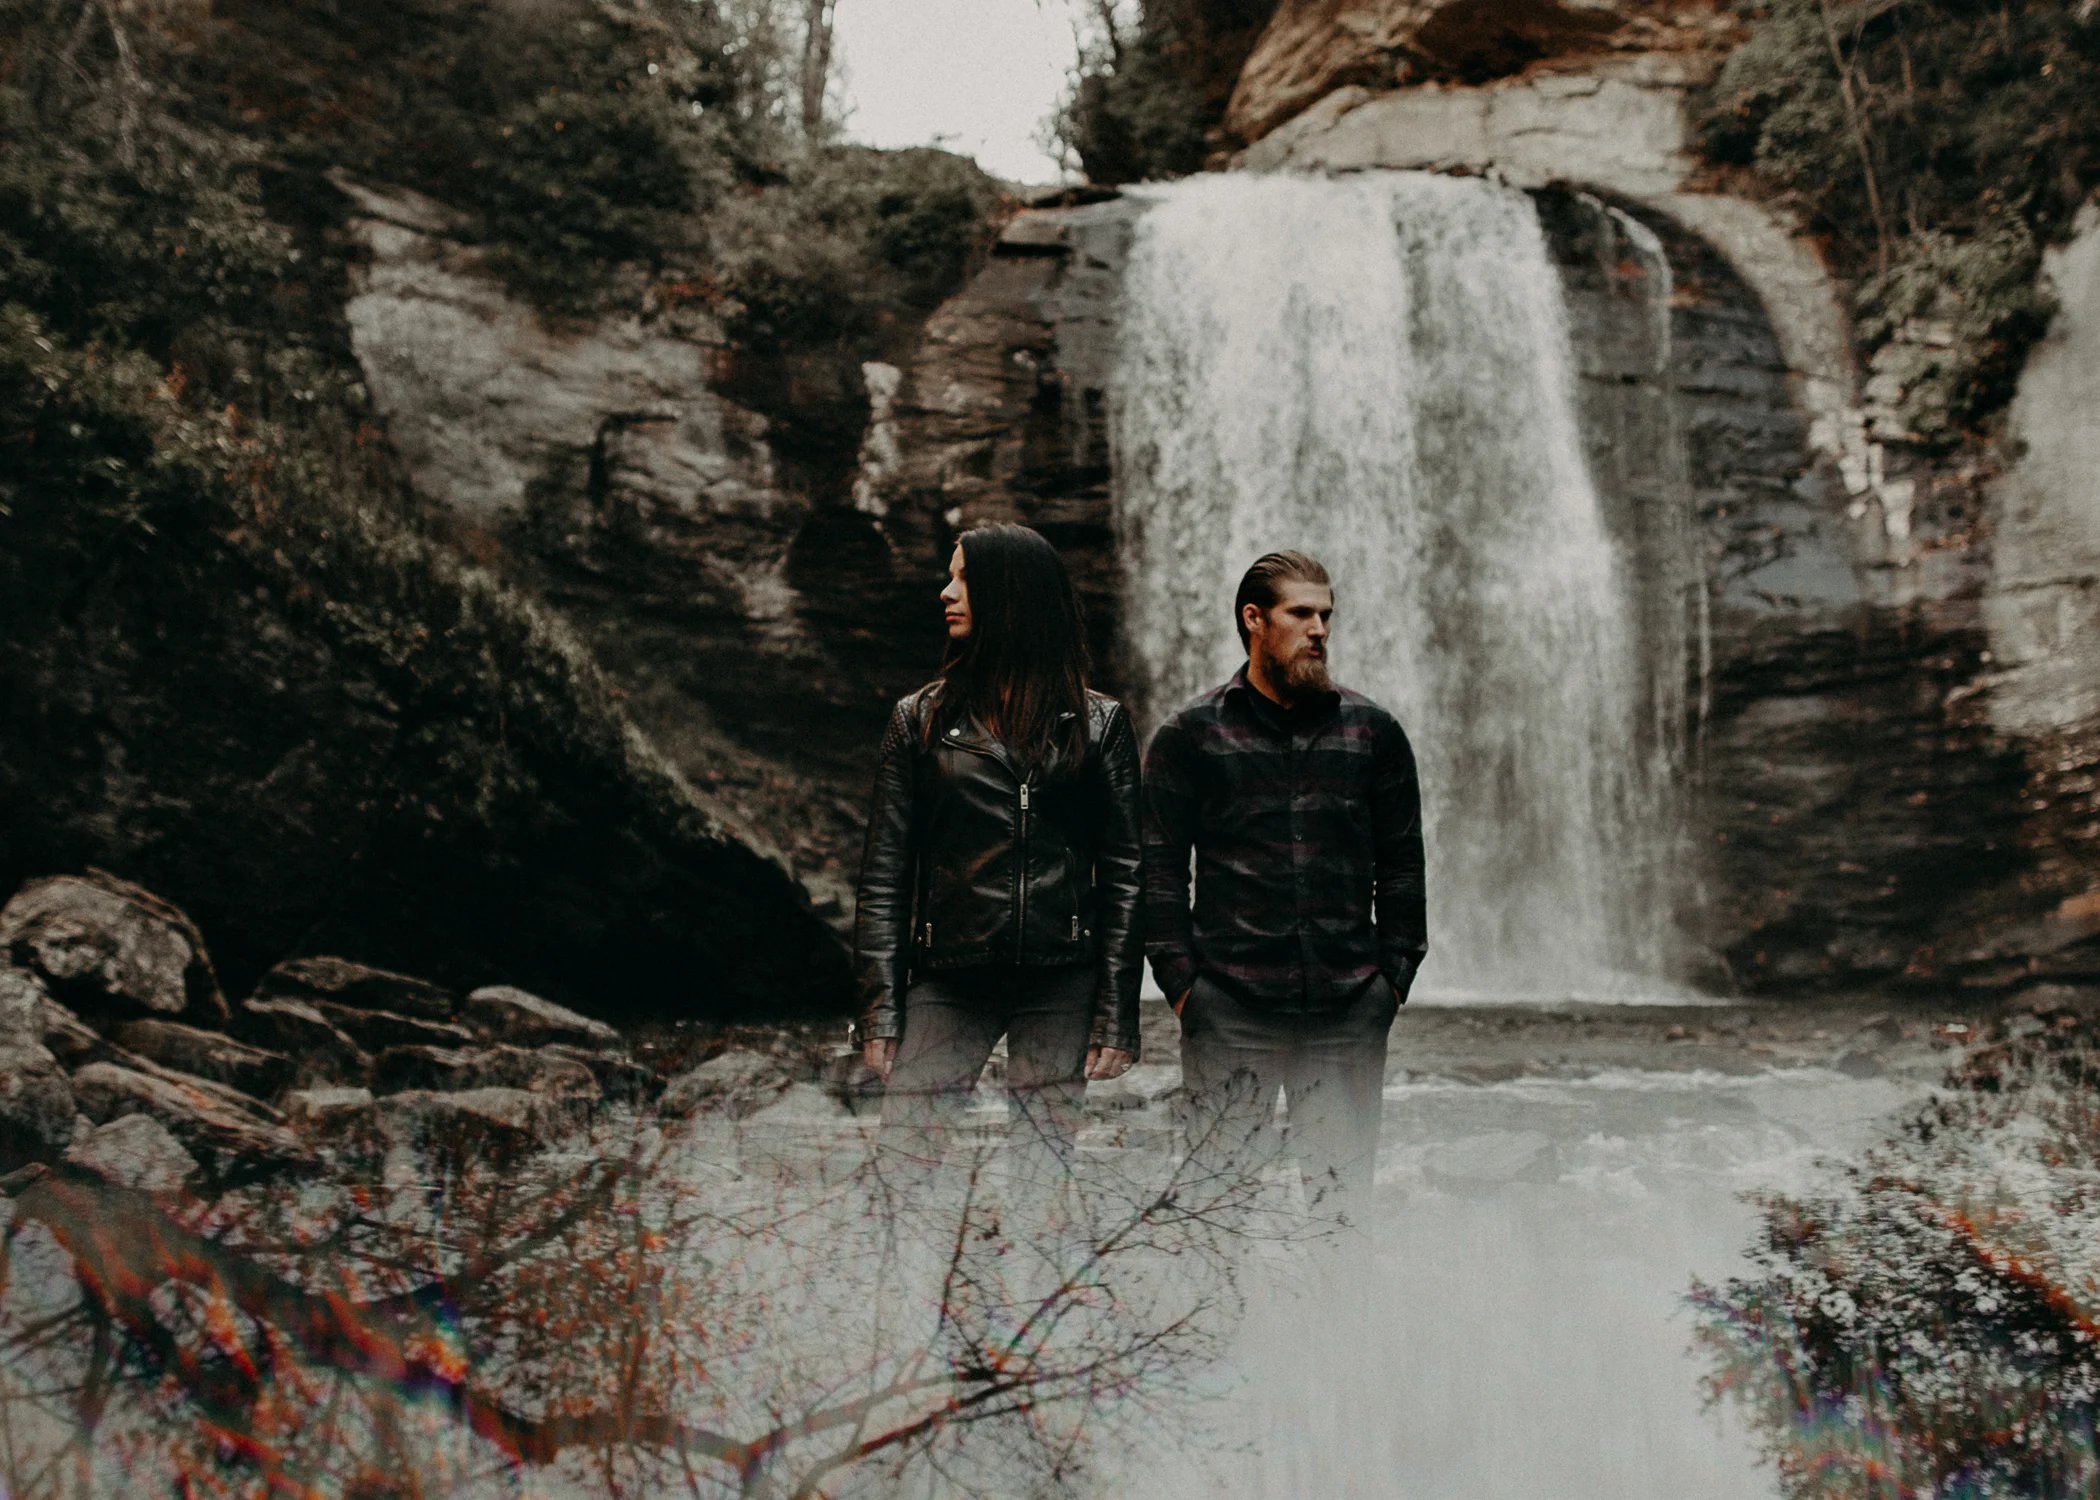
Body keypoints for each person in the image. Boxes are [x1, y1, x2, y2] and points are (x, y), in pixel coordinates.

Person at [1142, 550, 1427, 1229]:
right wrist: (1186, 988)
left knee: (1342, 1222)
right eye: (1302, 613)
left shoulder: (1373, 733)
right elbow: (1156, 873)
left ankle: (1343, 1340)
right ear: (1254, 619)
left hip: (1346, 1014)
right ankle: (1220, 1340)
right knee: (1214, 1218)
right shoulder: (1189, 736)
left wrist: (1390, 984)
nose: (1319, 628)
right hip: (1229, 1012)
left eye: (1326, 615)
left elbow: (1404, 868)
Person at [853, 524, 1142, 1192]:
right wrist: (879, 1010)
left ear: (1009, 596)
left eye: (962, 578)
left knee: (1043, 1184)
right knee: (903, 1171)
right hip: (950, 976)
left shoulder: (1099, 725)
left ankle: (1034, 1300)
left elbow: (1127, 873)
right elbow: (884, 873)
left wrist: (1117, 1010)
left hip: (1061, 981)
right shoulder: (917, 720)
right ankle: (911, 1300)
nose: (945, 591)